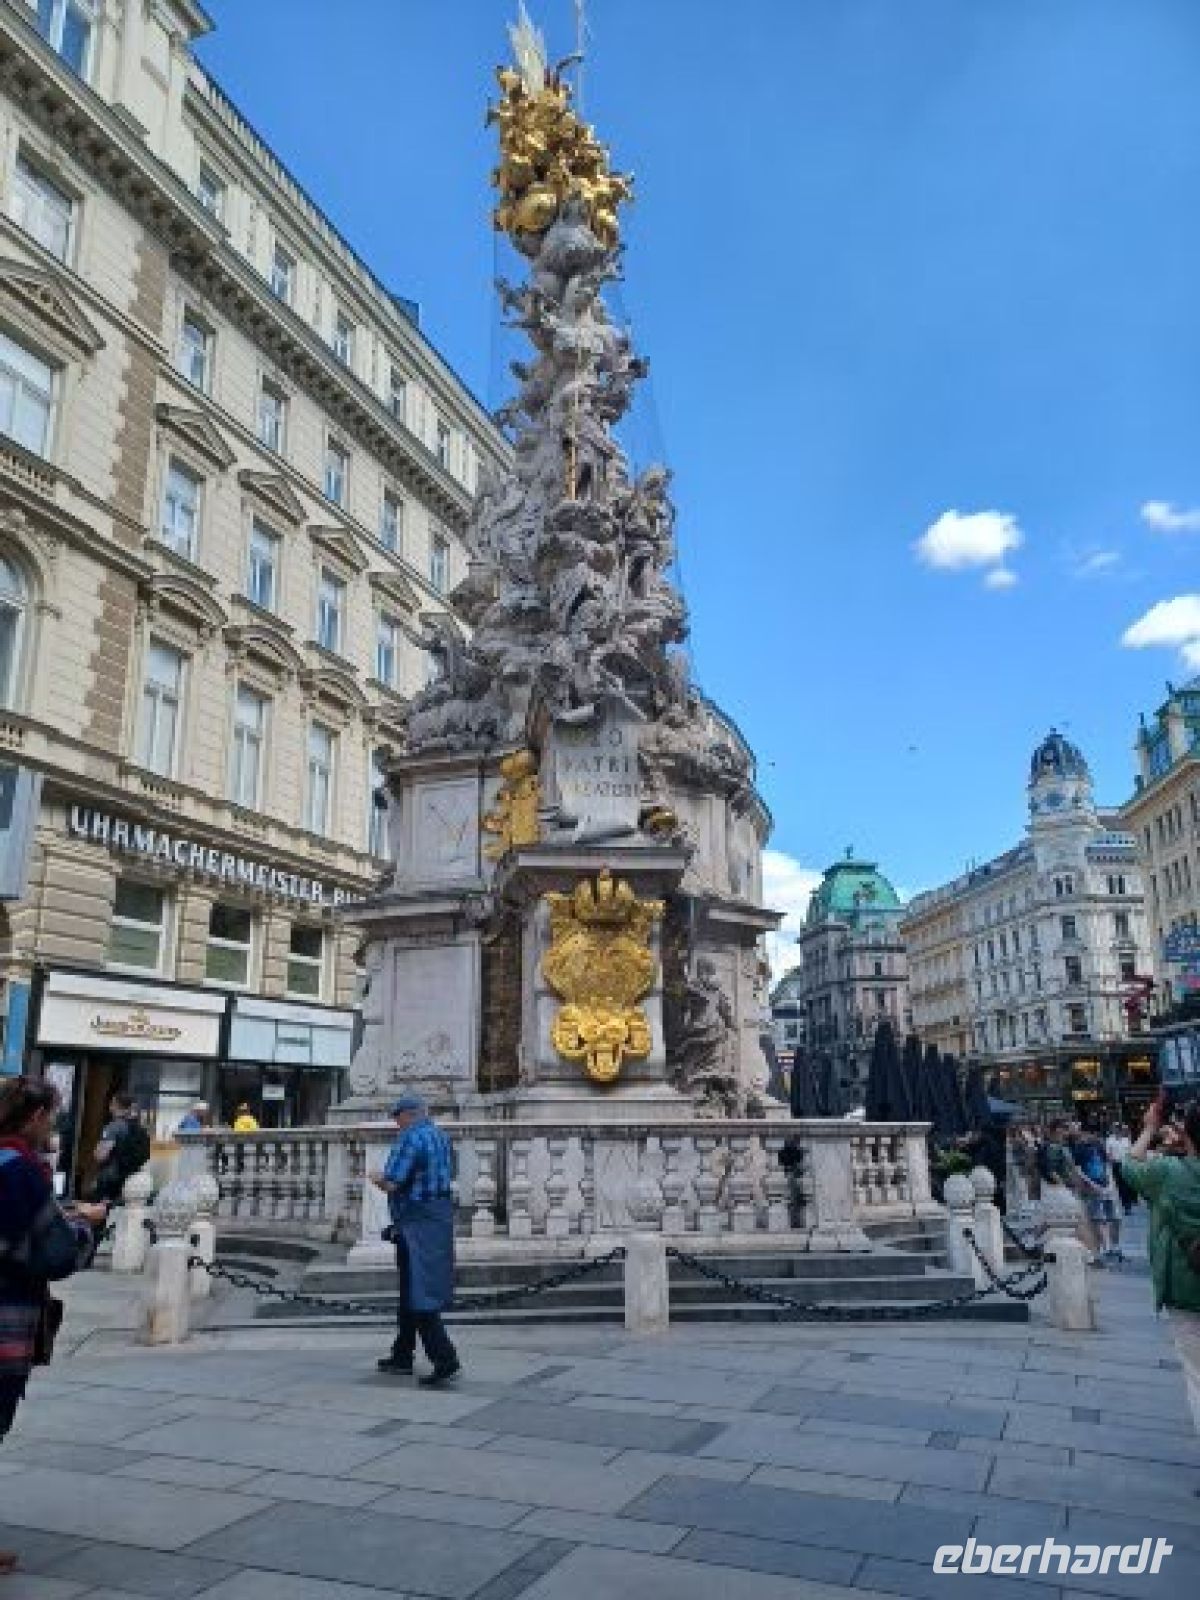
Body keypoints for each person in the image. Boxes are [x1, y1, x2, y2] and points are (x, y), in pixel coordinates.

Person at [0, 1077, 104, 1573]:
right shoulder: (22, 1172)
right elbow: (56, 1252)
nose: (54, 1126)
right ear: (37, 1117)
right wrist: (86, 1224)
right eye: (53, 1116)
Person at [370, 1094, 460, 1387]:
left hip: (415, 1222)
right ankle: (402, 1354)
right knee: (414, 1288)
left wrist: (375, 1178)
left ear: (408, 1114)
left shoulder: (410, 1138)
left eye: (397, 1117)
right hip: (438, 1218)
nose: (396, 1123)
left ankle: (444, 1358)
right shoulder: (440, 1136)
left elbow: (393, 1183)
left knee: (418, 1291)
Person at [1120, 1098, 1200, 1431]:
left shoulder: (1169, 1172)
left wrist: (1149, 1128)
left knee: (1197, 1376)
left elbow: (1129, 1165)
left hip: (1185, 1287)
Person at [1070, 1124, 1123, 1263]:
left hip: (1106, 1186)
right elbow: (1077, 1170)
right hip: (1091, 1188)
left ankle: (1114, 1247)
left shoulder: (1099, 1146)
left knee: (1115, 1217)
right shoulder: (1079, 1148)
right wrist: (1092, 1185)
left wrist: (1110, 1184)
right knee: (1098, 1219)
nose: (1092, 1137)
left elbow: (1107, 1165)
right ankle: (1104, 1248)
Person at [88, 1091, 150, 1205]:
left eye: (111, 1103)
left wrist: (96, 1151)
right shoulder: (140, 1128)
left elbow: (100, 1156)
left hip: (111, 1179)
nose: (110, 1106)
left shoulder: (114, 1127)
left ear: (115, 1105)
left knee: (102, 1209)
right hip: (131, 1179)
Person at [1107, 1122, 1135, 1214]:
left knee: (1126, 1183)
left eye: (1118, 1128)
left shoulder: (1126, 1140)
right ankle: (1125, 1204)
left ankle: (1128, 1204)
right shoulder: (1109, 1140)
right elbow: (1108, 1154)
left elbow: (1131, 1152)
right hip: (1116, 1164)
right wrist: (1112, 1161)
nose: (1116, 1130)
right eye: (1115, 1128)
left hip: (1126, 1164)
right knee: (1119, 1185)